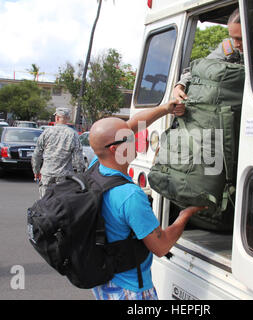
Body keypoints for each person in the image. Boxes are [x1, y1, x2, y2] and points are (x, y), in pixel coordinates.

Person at [88, 99, 205, 300]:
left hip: (105, 282)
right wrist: (185, 214)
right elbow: (161, 247)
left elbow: (134, 124)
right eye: (129, 138)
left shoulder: (94, 167)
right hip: (131, 290)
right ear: (115, 149)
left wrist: (165, 108)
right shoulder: (129, 195)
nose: (136, 139)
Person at [172, 7, 243, 112]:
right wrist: (180, 85)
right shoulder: (229, 48)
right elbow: (201, 67)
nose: (236, 44)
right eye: (233, 38)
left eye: (240, 39)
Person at [31, 107, 84, 199]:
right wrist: (80, 174)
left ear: (57, 118)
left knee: (45, 202)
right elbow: (78, 159)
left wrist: (36, 171)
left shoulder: (47, 132)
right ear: (67, 118)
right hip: (64, 176)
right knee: (61, 204)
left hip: (47, 174)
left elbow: (37, 154)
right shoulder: (73, 134)